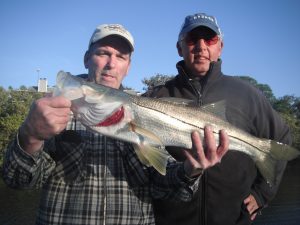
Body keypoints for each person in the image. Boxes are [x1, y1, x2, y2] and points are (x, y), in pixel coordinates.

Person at [2, 24, 229, 225]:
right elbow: (19, 181)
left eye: (120, 56)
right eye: (103, 53)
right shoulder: (52, 112)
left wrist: (192, 169)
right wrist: (30, 136)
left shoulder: (143, 110)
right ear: (86, 58)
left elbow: (165, 186)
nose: (111, 63)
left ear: (128, 66)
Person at [144, 13, 293, 225]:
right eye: (192, 39)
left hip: (233, 219)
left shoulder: (248, 94)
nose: (201, 46)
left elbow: (282, 138)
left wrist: (262, 194)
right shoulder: (156, 96)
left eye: (210, 39)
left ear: (220, 46)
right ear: (180, 48)